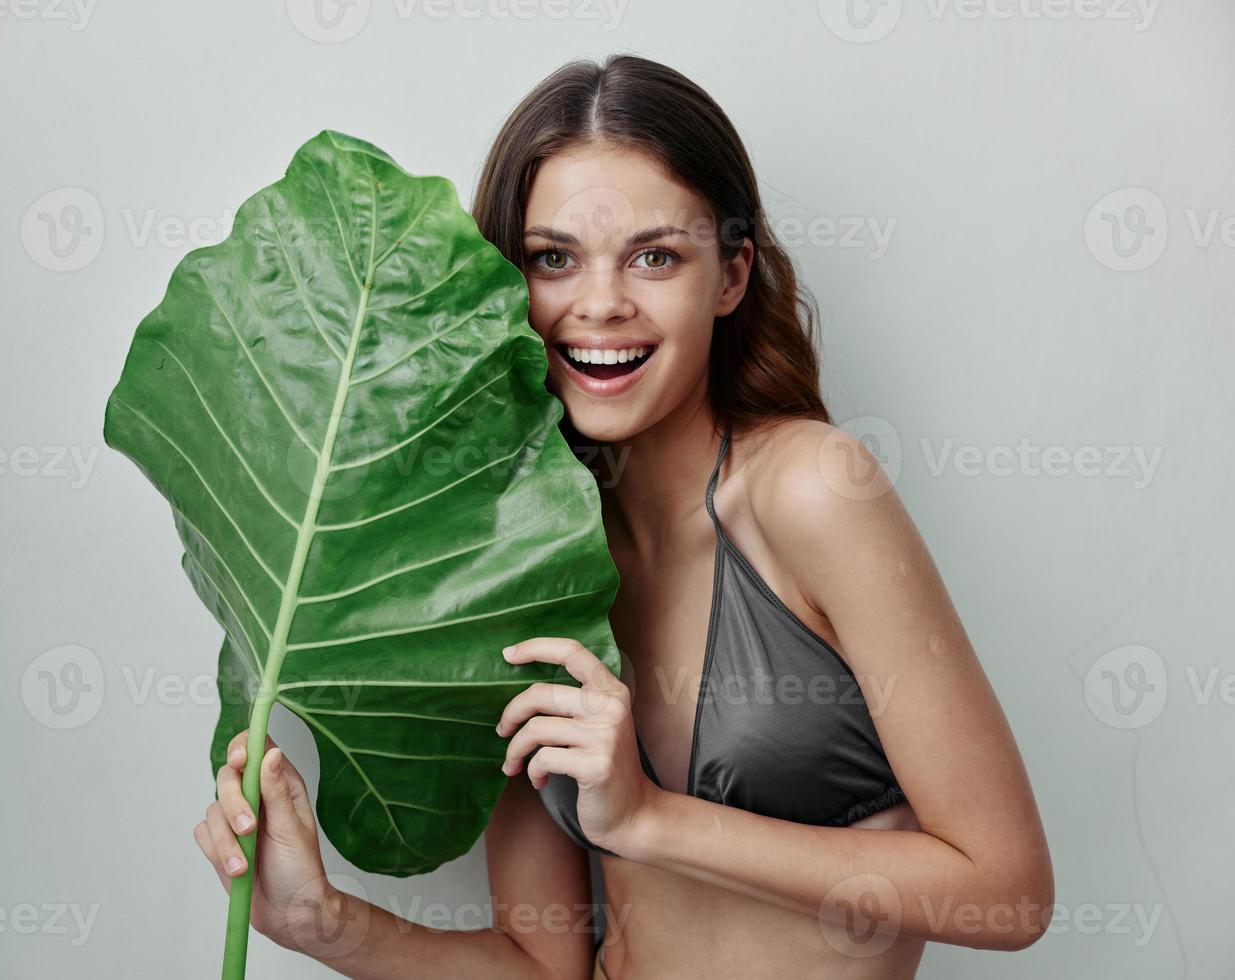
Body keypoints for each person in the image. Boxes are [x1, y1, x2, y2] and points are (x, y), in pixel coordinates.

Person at [194, 54, 1054, 979]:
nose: (599, 304)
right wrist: (323, 925)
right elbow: (542, 962)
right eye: (552, 258)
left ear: (729, 278)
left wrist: (648, 819)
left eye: (653, 255)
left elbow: (1004, 890)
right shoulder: (508, 558)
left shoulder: (811, 490)